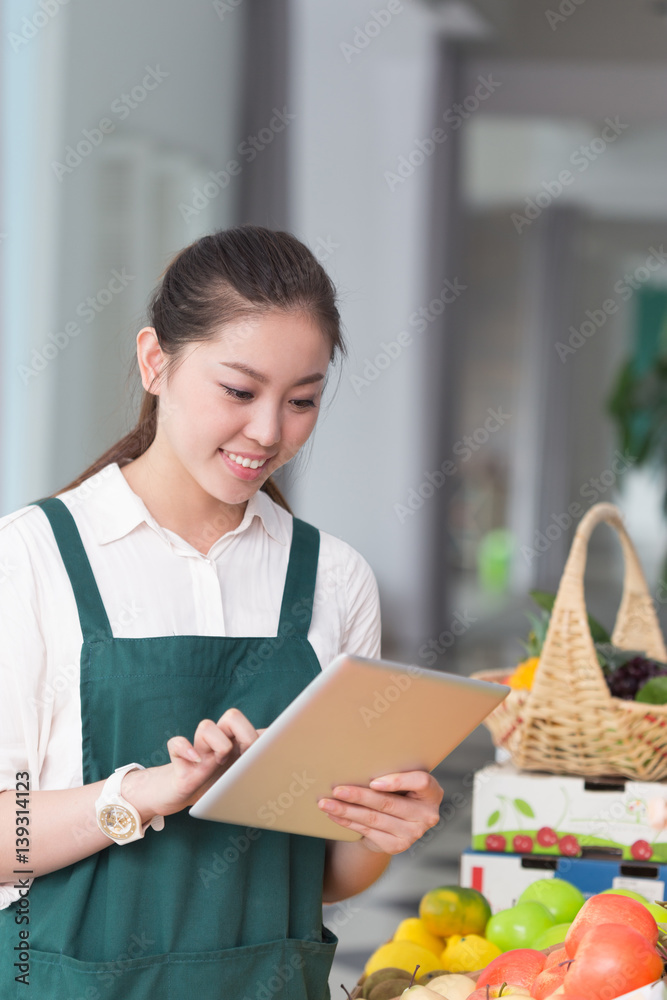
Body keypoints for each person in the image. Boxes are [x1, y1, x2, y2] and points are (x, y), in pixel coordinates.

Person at [0, 225, 443, 999]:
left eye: (302, 400)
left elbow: (325, 876)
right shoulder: (32, 559)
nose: (269, 432)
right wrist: (140, 794)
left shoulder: (334, 579)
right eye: (238, 392)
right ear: (155, 362)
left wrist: (384, 830)